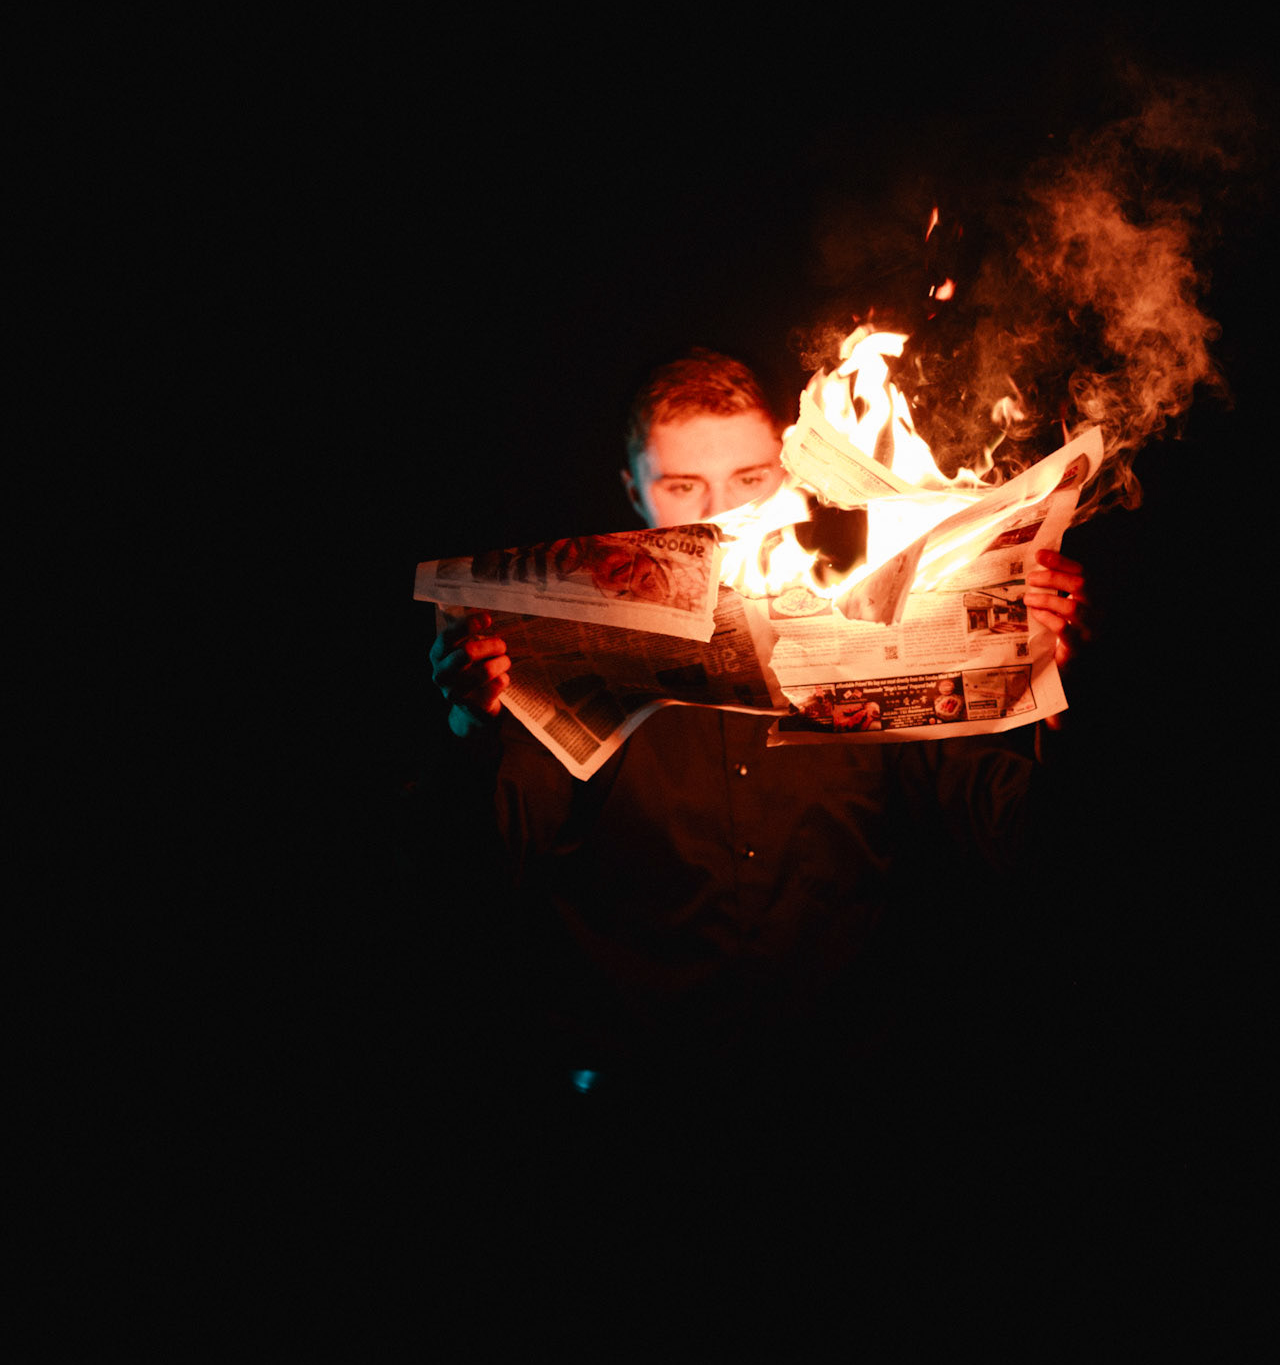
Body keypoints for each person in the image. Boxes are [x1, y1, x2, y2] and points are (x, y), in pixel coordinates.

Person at [422, 347, 1093, 1132]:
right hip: (635, 1098)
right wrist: (470, 725)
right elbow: (467, 878)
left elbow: (1018, 843)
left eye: (749, 480)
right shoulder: (558, 653)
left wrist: (1056, 697)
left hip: (845, 1090)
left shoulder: (882, 629)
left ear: (789, 476)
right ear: (632, 490)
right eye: (682, 487)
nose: (719, 516)